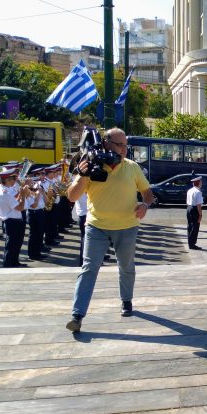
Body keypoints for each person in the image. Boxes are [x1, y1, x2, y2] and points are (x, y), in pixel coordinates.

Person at [65, 128, 153, 334]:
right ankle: (77, 316)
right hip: (97, 227)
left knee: (126, 266)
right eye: (119, 145)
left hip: (127, 227)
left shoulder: (132, 167)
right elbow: (71, 196)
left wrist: (145, 205)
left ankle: (126, 301)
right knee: (88, 269)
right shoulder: (90, 166)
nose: (124, 149)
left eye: (125, 145)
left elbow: (148, 193)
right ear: (106, 143)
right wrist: (81, 174)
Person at [0, 168, 29, 267]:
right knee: (12, 245)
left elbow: (15, 201)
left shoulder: (6, 190)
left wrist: (22, 193)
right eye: (12, 179)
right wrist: (23, 195)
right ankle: (9, 264)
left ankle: (14, 262)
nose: (14, 181)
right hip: (12, 220)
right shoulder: (4, 192)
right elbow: (20, 207)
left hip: (14, 219)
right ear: (6, 180)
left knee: (16, 244)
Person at [25, 168, 47, 261]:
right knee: (34, 234)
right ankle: (32, 254)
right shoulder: (27, 191)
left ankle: (38, 253)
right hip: (33, 213)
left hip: (41, 211)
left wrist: (43, 192)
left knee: (40, 234)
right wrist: (37, 195)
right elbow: (33, 205)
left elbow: (46, 201)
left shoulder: (38, 187)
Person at [187, 175, 203, 250]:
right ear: (198, 183)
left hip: (189, 208)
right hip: (195, 209)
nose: (201, 183)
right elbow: (198, 205)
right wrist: (200, 215)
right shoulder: (198, 192)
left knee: (190, 226)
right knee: (195, 227)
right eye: (201, 182)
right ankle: (192, 244)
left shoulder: (190, 190)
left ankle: (190, 243)